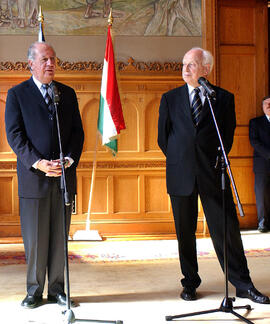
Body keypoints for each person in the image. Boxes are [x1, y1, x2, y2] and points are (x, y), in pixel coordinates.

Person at [157, 47, 269, 304]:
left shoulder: (223, 98)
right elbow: (163, 139)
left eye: (192, 65)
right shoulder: (170, 98)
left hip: (214, 173)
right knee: (185, 232)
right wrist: (183, 158)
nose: (185, 69)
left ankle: (243, 284)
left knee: (226, 229)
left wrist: (207, 160)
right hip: (180, 174)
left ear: (206, 69)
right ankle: (190, 282)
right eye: (184, 64)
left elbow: (225, 137)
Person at [5, 41, 84, 309]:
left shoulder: (67, 94)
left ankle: (58, 289)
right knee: (36, 240)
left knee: (60, 238)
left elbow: (77, 133)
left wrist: (69, 159)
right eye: (45, 59)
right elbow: (15, 136)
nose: (51, 64)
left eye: (53, 59)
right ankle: (34, 291)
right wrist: (38, 163)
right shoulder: (17, 94)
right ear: (31, 63)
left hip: (63, 178)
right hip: (34, 179)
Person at [249, 96, 270, 233]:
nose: (268, 106)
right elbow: (254, 142)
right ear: (262, 107)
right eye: (266, 104)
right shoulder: (255, 122)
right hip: (262, 164)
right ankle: (263, 223)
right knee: (262, 194)